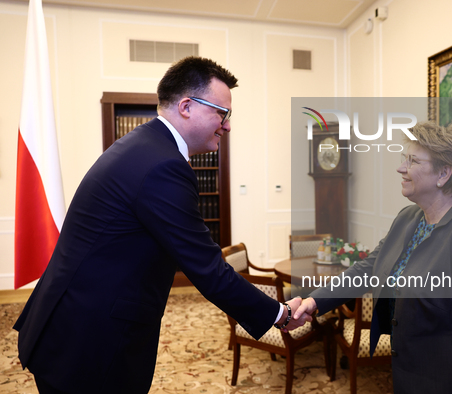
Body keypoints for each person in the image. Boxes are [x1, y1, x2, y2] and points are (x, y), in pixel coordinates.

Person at [14, 56, 311, 394]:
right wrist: (280, 315)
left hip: (73, 324)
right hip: (89, 340)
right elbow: (207, 269)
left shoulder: (146, 145)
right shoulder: (163, 166)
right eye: (222, 113)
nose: (227, 125)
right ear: (186, 106)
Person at [293, 122, 452, 394]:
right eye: (404, 158)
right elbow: (368, 269)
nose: (401, 168)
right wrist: (314, 301)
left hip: (441, 383)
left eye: (413, 160)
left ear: (443, 174)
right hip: (403, 372)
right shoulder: (408, 218)